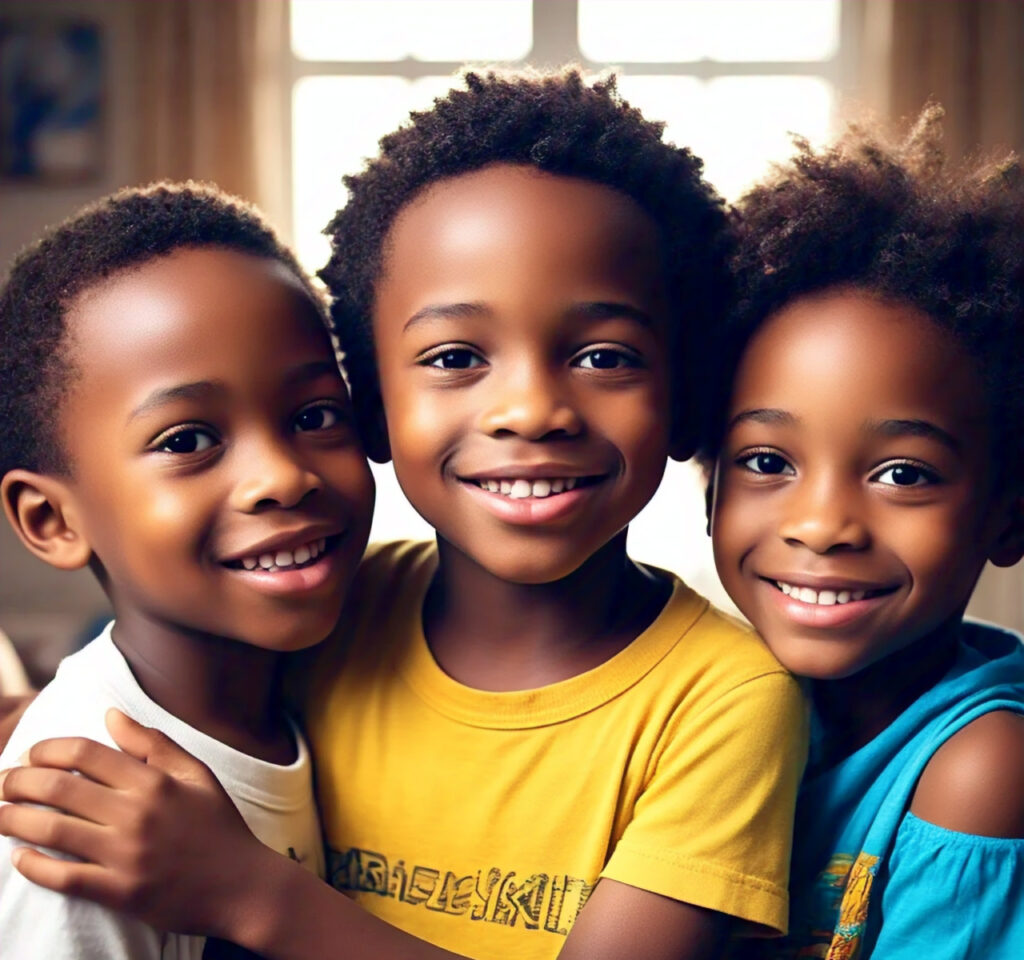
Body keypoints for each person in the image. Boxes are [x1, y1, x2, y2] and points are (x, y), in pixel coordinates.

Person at [0, 70, 806, 960]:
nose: (532, 410)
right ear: (376, 406)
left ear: (685, 395)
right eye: (457, 355)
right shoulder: (327, 616)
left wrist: (254, 896)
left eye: (605, 355)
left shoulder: (724, 701)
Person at [0, 182, 375, 959]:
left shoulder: (314, 690)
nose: (282, 475)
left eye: (315, 416)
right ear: (53, 520)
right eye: (185, 440)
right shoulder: (82, 807)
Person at [706, 108, 1024, 957]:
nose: (822, 525)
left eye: (904, 475)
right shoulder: (712, 704)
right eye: (768, 461)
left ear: (1008, 513)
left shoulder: (983, 767)